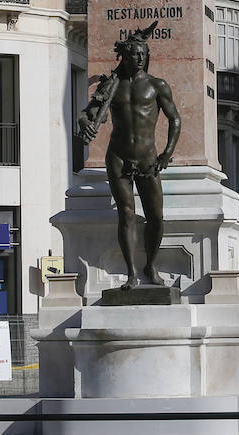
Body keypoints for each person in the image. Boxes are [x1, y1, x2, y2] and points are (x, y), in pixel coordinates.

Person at [76, 24, 181, 288]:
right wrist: (83, 124)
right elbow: (87, 113)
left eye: (143, 54)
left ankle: (151, 266)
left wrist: (167, 153)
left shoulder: (157, 85)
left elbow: (175, 120)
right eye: (134, 54)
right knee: (126, 214)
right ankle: (132, 273)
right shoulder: (112, 87)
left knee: (156, 217)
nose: (139, 58)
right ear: (124, 55)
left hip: (148, 158)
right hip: (118, 157)